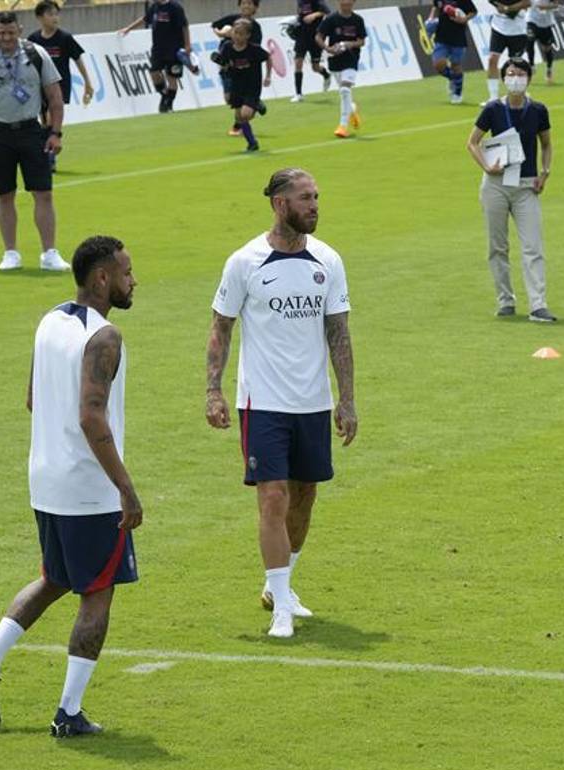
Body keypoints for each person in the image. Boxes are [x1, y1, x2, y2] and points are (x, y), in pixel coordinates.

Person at [0, 235, 141, 737]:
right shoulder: (105, 338)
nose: (133, 280)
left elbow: (33, 399)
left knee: (55, 577)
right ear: (101, 279)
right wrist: (125, 488)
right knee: (98, 591)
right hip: (88, 489)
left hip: (46, 480)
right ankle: (69, 712)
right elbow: (91, 417)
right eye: (126, 272)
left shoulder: (49, 321)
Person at [205, 168, 357, 639]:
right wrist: (213, 389)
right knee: (273, 496)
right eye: (305, 198)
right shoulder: (245, 262)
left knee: (305, 495)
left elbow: (339, 332)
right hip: (262, 401)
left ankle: (280, 585)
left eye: (317, 196)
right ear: (279, 203)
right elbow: (220, 328)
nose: (314, 205)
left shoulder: (327, 260)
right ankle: (281, 611)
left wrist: (347, 398)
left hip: (312, 400)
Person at [0, 12, 70, 273]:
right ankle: (11, 253)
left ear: (19, 30)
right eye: (1, 33)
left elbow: (54, 96)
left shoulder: (36, 55)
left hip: (32, 131)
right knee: (4, 194)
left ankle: (49, 253)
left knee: (43, 193)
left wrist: (56, 132)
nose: (6, 38)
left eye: (10, 33)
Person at [466, 58, 555, 322]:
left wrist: (544, 173)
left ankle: (538, 304)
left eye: (520, 74)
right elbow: (472, 142)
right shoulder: (493, 109)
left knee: (533, 245)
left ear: (529, 77)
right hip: (497, 184)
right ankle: (505, 299)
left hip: (526, 185)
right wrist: (486, 166)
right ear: (503, 78)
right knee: (497, 245)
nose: (515, 78)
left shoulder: (538, 110)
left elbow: (547, 144)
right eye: (510, 74)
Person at [29, 0, 93, 172]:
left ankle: (49, 159)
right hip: (39, 87)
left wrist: (87, 82)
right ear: (40, 17)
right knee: (44, 123)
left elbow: (78, 59)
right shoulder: (33, 40)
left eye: (56, 13)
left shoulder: (65, 38)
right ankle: (47, 152)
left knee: (51, 119)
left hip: (59, 86)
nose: (55, 17)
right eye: (50, 14)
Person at [120, 0, 193, 113]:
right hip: (158, 48)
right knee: (154, 72)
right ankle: (164, 94)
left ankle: (168, 105)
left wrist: (187, 44)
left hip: (174, 49)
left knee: (172, 77)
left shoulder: (175, 7)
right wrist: (129, 28)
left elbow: (184, 25)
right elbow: (145, 19)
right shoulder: (154, 7)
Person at [211, 0, 263, 135]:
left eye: (250, 4)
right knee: (229, 98)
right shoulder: (232, 19)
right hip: (226, 64)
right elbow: (215, 25)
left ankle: (239, 126)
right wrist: (220, 32)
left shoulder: (255, 27)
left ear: (255, 8)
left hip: (243, 68)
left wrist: (232, 36)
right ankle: (253, 104)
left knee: (240, 100)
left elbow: (254, 48)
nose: (246, 6)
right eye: (243, 3)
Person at [217, 19, 271, 152]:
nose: (237, 36)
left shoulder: (254, 49)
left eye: (241, 34)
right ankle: (252, 143)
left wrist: (268, 76)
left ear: (248, 35)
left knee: (245, 114)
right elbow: (224, 64)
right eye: (235, 33)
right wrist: (221, 63)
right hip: (236, 85)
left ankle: (256, 104)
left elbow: (268, 58)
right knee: (239, 117)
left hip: (252, 85)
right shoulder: (228, 47)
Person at [315, 0, 366, 139]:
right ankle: (352, 111)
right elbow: (318, 37)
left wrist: (349, 44)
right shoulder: (331, 19)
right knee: (344, 93)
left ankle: (342, 126)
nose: (346, 2)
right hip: (334, 61)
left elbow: (362, 41)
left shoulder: (358, 20)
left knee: (344, 89)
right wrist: (327, 48)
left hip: (351, 60)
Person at [427, 0, 477, 104]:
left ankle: (457, 94)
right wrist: (430, 20)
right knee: (438, 64)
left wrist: (465, 19)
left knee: (456, 65)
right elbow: (435, 7)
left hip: (458, 37)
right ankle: (453, 79)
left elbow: (473, 12)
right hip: (441, 37)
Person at [485, 0, 529, 103]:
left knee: (516, 64)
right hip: (498, 27)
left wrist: (507, 9)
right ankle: (493, 97)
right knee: (492, 59)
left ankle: (520, 92)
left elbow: (527, 2)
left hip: (518, 30)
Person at [290, 0, 329, 102]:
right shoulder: (299, 1)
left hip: (316, 36)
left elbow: (327, 12)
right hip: (302, 36)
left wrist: (314, 15)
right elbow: (300, 15)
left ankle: (326, 75)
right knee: (298, 62)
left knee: (315, 67)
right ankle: (298, 94)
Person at [525, 0, 557, 84]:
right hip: (531, 20)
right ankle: (531, 65)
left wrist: (546, 7)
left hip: (545, 24)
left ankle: (549, 69)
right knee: (529, 41)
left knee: (546, 49)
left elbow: (556, 5)